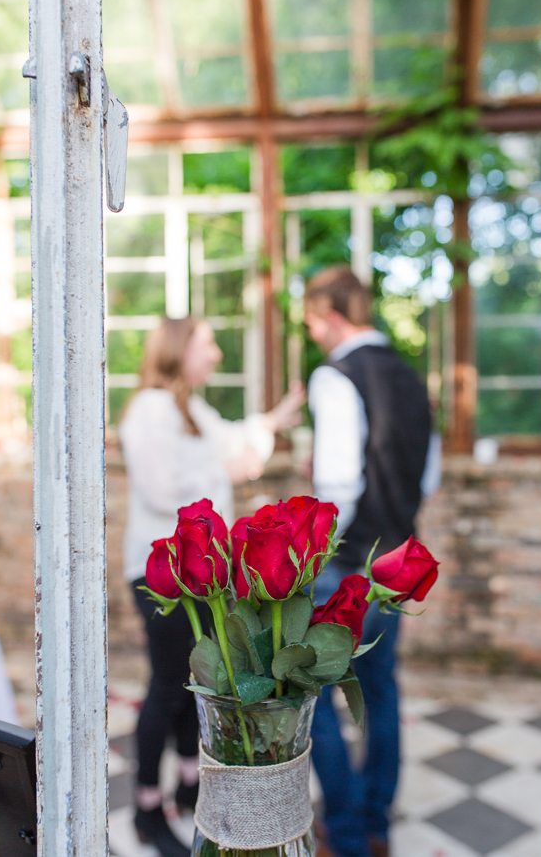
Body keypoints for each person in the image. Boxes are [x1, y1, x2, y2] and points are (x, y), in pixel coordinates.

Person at [119, 316, 304, 857]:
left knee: (195, 683)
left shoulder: (188, 408)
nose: (217, 355)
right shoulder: (151, 409)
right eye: (207, 343)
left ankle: (188, 787)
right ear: (179, 348)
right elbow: (160, 491)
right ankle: (148, 807)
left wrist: (269, 420)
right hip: (162, 575)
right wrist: (231, 473)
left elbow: (228, 436)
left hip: (199, 574)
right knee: (169, 682)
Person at [303, 267, 436, 857]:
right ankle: (377, 825)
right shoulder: (409, 375)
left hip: (348, 562)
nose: (310, 333)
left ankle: (349, 832)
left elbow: (337, 482)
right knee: (380, 693)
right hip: (400, 557)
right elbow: (426, 476)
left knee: (320, 698)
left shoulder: (336, 377)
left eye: (309, 320)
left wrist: (311, 556)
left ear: (331, 313)